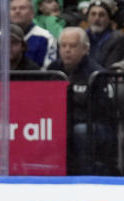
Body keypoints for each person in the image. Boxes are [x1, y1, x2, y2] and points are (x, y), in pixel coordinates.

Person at [47, 26, 113, 173]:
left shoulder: (95, 74)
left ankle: (83, 174)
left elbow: (103, 112)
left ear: (85, 49)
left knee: (79, 131)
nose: (67, 50)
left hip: (89, 123)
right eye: (63, 45)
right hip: (59, 122)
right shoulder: (53, 69)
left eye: (73, 46)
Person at [0, 0, 58, 67]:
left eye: (22, 8)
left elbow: (48, 71)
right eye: (13, 8)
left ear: (32, 13)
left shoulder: (46, 37)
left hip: (35, 77)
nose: (17, 11)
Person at [84, 0, 124, 67]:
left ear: (109, 19)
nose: (96, 18)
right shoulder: (81, 36)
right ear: (88, 17)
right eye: (93, 14)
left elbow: (109, 69)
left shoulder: (117, 39)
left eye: (101, 15)